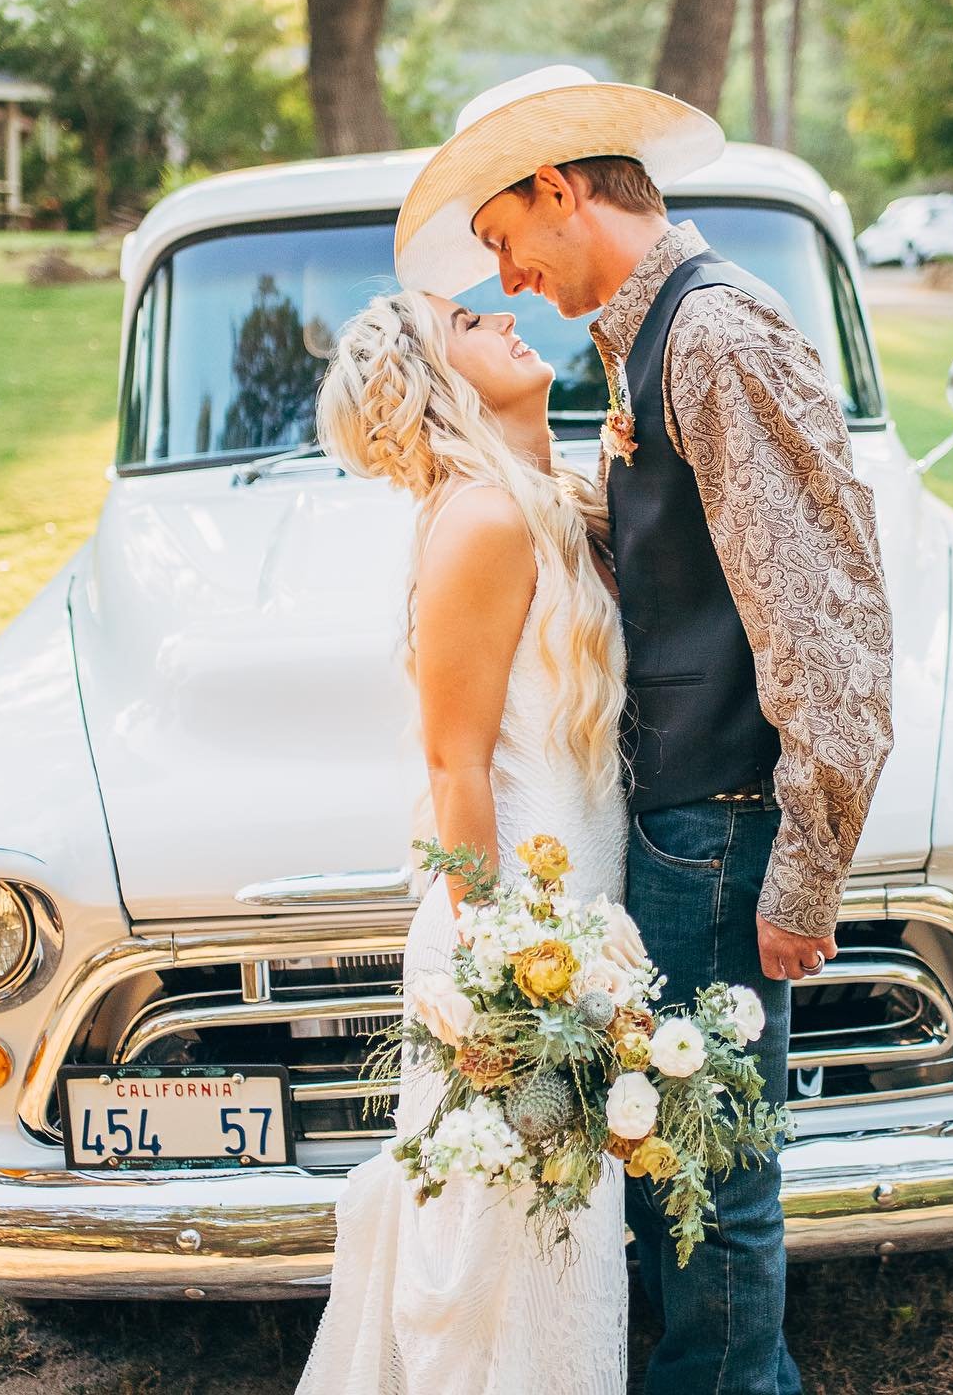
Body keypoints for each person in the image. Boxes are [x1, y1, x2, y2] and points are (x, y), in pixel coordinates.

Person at [392, 64, 896, 1395]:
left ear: (561, 189)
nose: (506, 276)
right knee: (678, 1167)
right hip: (678, 833)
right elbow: (693, 559)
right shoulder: (642, 340)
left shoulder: (715, 332)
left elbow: (823, 620)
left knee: (716, 1188)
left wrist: (806, 866)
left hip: (729, 834)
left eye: (504, 239)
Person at [294, 273, 647, 1393]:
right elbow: (455, 763)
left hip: (577, 895)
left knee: (560, 1228)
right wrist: (509, 973)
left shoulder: (546, 495)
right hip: (517, 931)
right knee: (510, 1235)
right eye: (468, 322)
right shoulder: (483, 520)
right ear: (440, 380)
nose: (503, 316)